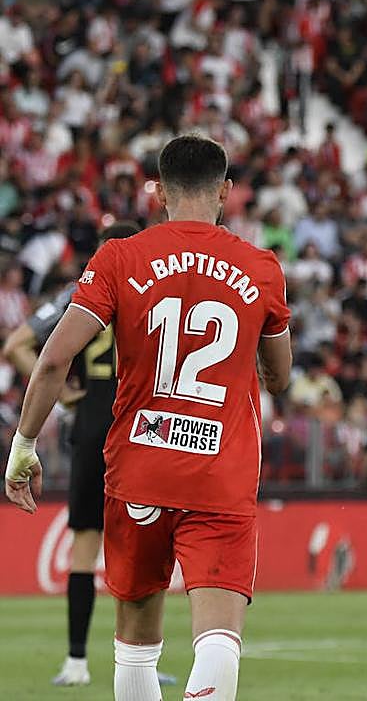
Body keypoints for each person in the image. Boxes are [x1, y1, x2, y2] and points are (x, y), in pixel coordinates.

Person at [4, 134, 292, 701]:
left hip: (140, 468)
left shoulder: (120, 257)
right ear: (225, 191)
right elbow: (280, 377)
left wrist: (24, 445)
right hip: (220, 471)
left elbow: (54, 358)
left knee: (135, 644)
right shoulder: (261, 267)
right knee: (218, 636)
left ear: (158, 193)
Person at [2, 222, 177, 688]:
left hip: (93, 419)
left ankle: (76, 662)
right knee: (146, 545)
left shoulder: (80, 291)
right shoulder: (157, 285)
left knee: (84, 544)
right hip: (144, 423)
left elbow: (17, 345)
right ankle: (144, 660)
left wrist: (64, 396)